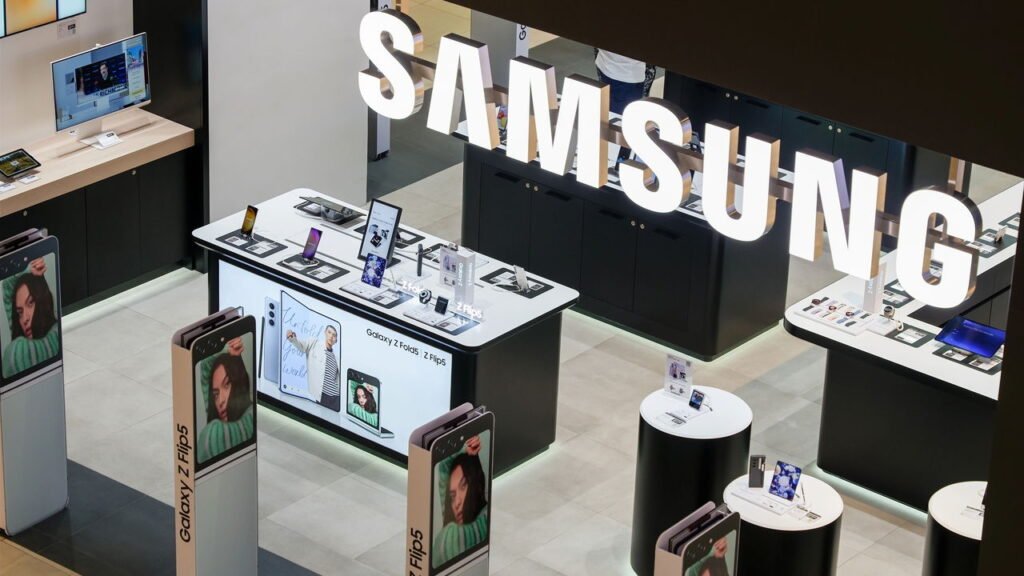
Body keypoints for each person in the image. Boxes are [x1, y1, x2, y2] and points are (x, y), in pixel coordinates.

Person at [432, 436, 489, 568]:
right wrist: (464, 449)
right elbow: (443, 468)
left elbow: (443, 468)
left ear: (476, 484)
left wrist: (464, 449)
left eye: (463, 486)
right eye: (452, 496)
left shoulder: (449, 536)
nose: (456, 502)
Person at [196, 337, 255, 463]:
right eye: (216, 394)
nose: (220, 401)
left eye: (227, 385)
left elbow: (205, 368)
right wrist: (227, 350)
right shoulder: (253, 415)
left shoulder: (214, 433)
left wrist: (226, 350)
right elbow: (206, 370)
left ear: (238, 382)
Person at [2, 258, 59, 378]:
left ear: (42, 300)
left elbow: (7, 288)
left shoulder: (17, 350)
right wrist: (29, 269)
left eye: (30, 303)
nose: (25, 319)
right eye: (20, 312)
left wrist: (27, 269)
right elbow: (8, 291)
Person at [285, 325, 341, 411]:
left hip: (336, 398)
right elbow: (301, 346)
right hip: (321, 396)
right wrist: (293, 339)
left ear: (336, 340)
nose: (331, 336)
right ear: (325, 333)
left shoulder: (336, 358)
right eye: (329, 332)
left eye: (334, 335)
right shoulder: (314, 344)